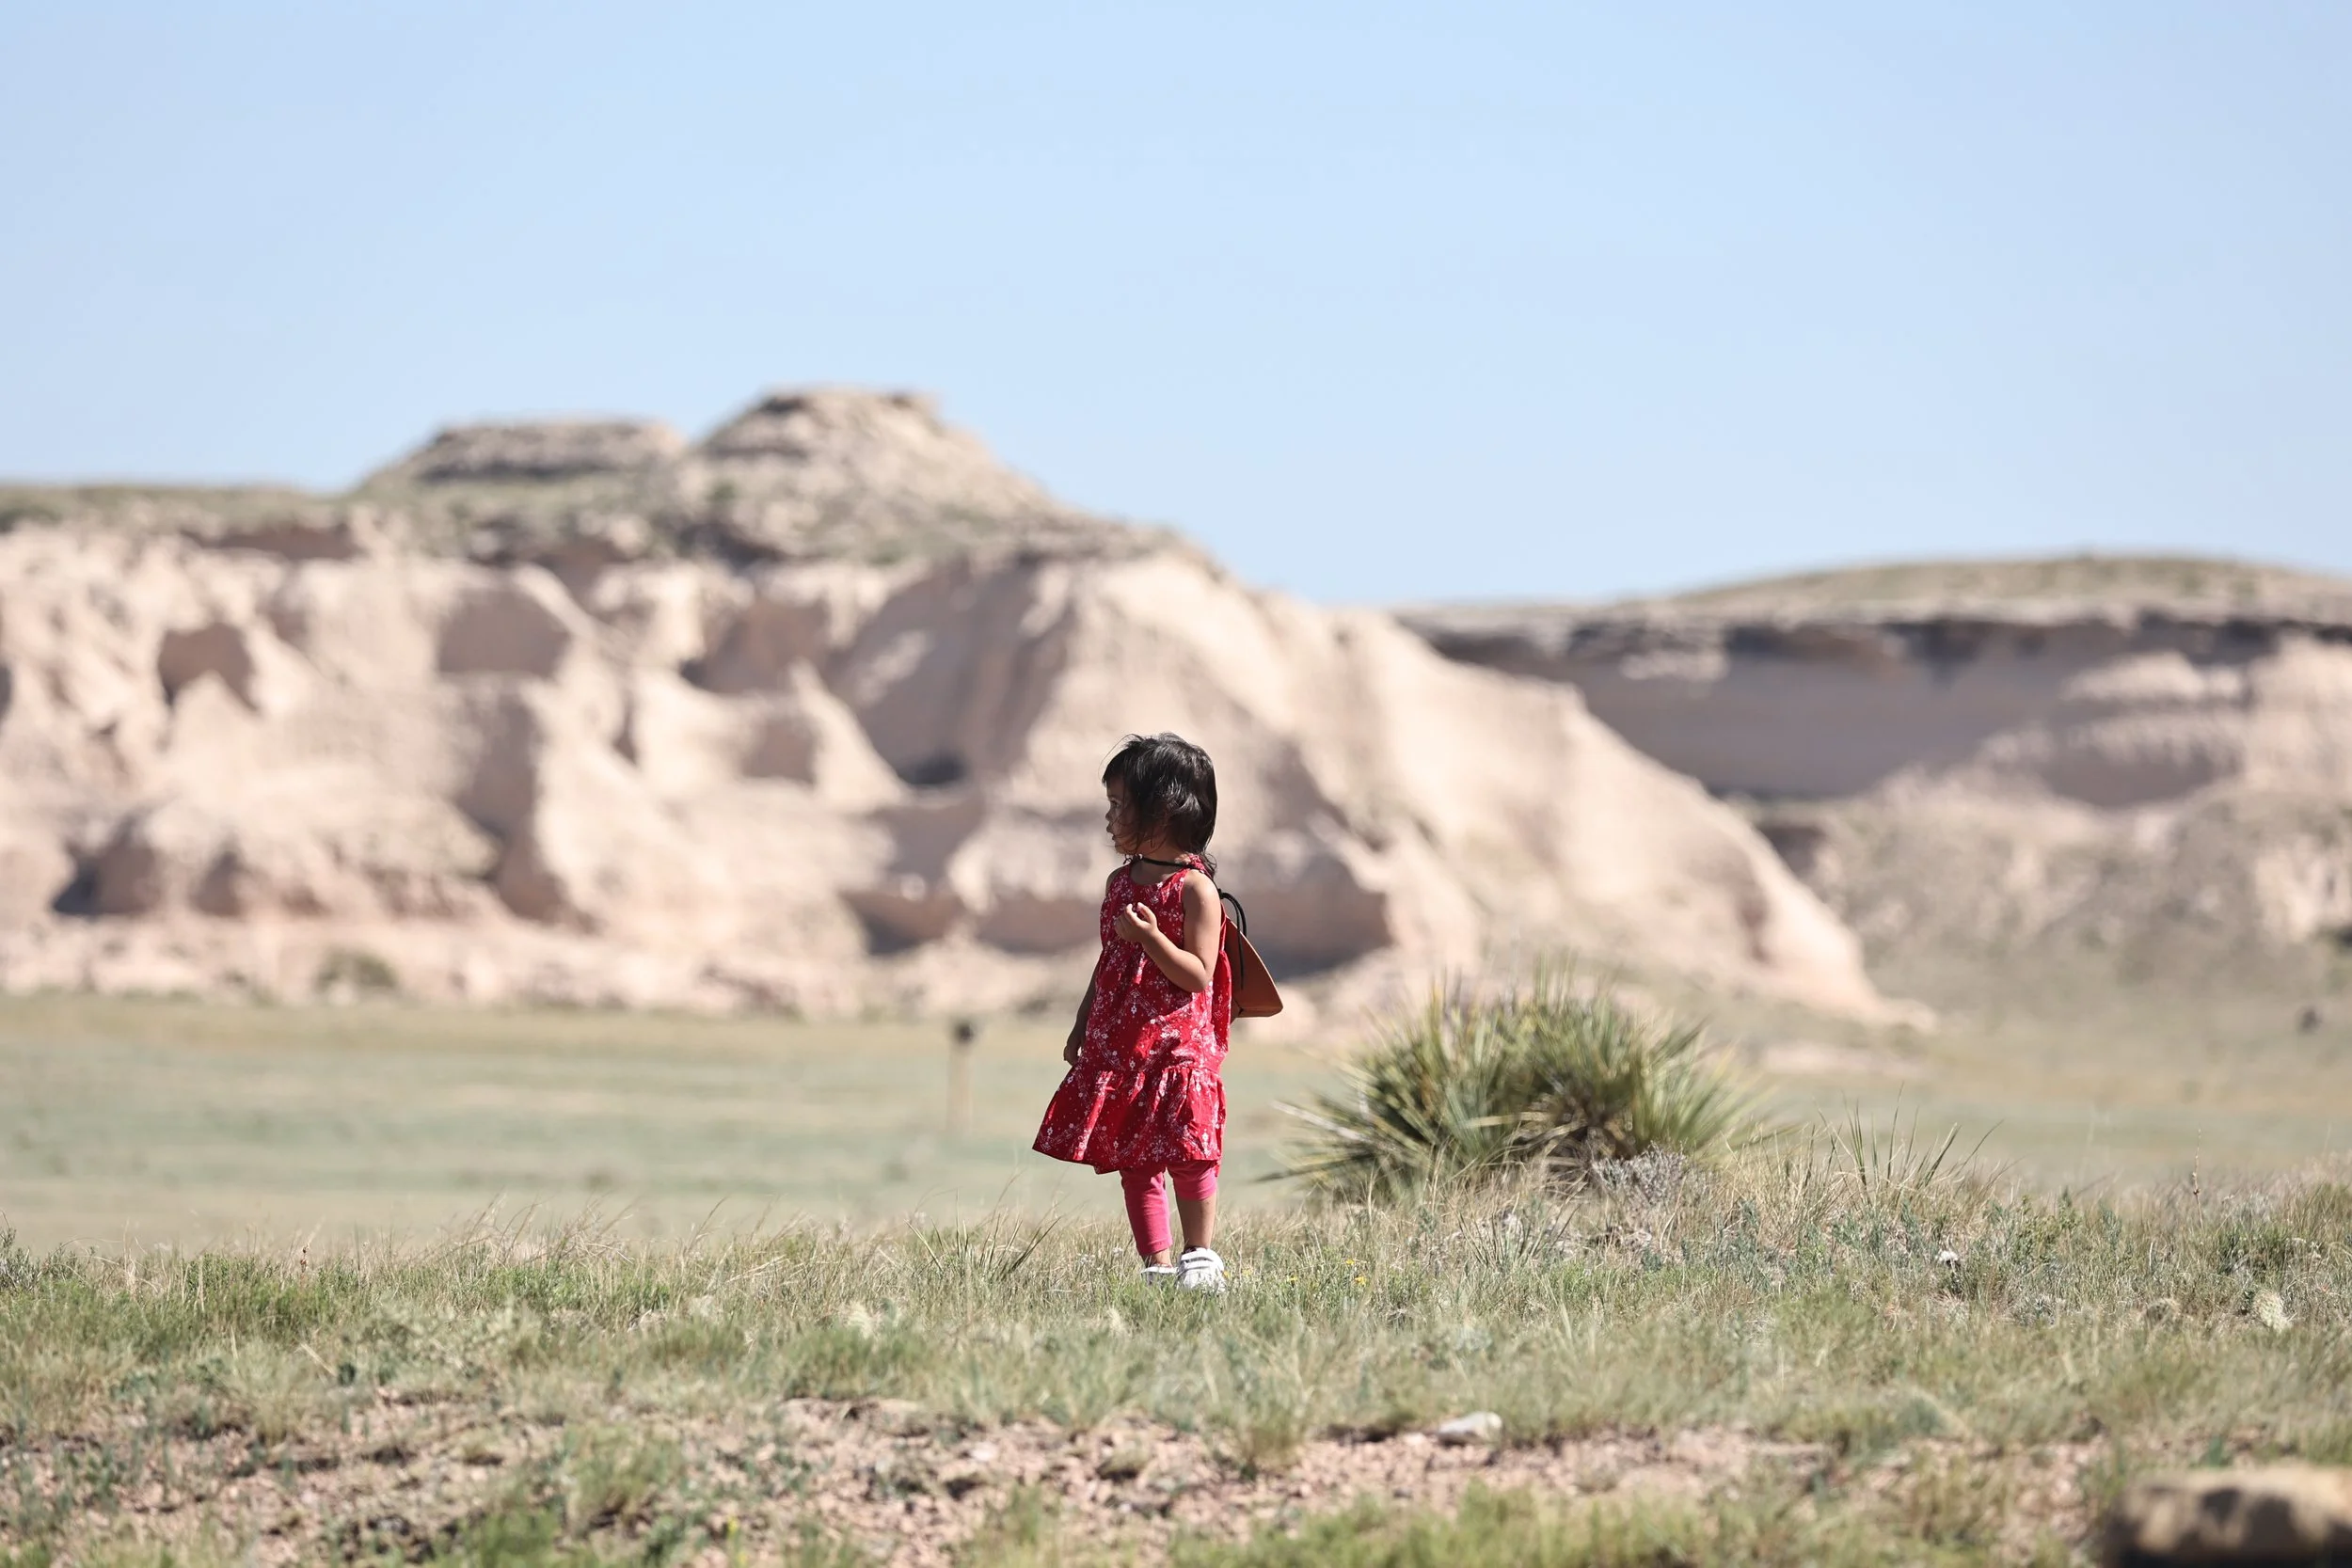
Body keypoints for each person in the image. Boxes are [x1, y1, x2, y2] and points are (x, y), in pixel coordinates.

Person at [1033, 733, 1232, 1291]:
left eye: (1120, 805)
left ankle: (1199, 1257)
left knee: (1191, 1149)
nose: (1110, 817)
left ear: (1164, 811)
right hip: (1125, 1044)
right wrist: (1082, 1025)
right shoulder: (1118, 884)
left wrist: (1151, 940)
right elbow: (1108, 963)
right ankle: (1156, 1265)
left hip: (1178, 1046)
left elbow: (1198, 974)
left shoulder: (1195, 889)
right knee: (1136, 1158)